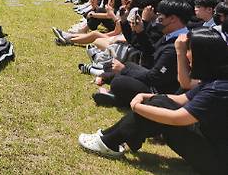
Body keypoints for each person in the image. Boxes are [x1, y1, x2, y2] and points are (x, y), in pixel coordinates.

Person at [78, 29, 228, 174]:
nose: (187, 55)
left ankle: (109, 141)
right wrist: (146, 96)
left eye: (189, 50)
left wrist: (137, 107)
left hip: (218, 162)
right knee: (160, 100)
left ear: (203, 56)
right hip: (212, 144)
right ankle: (110, 138)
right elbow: (182, 99)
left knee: (160, 105)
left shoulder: (219, 88)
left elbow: (178, 118)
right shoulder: (216, 78)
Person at [93, 0, 193, 108]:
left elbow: (156, 77)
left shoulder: (178, 44)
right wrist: (140, 31)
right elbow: (151, 52)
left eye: (160, 16)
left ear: (173, 19)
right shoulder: (170, 35)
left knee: (119, 81)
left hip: (160, 90)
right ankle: (115, 91)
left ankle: (119, 97)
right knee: (128, 66)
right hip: (153, 74)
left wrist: (123, 70)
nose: (157, 19)